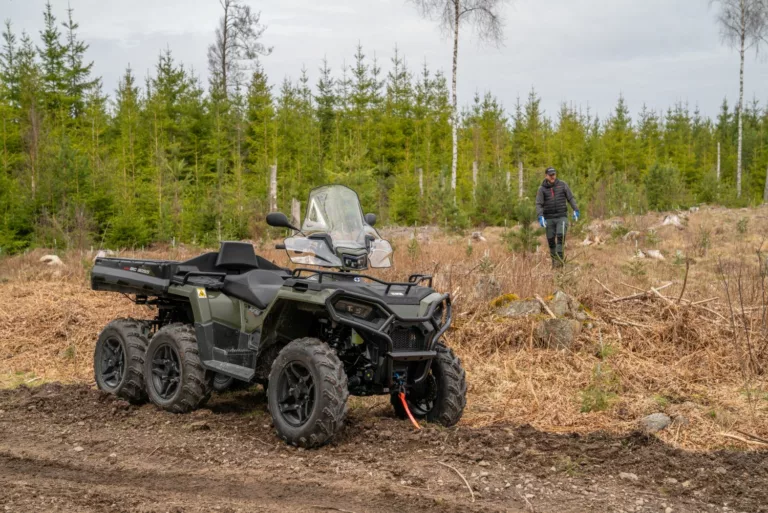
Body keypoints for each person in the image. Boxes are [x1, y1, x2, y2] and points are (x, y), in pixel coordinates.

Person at [535, 167, 579, 268]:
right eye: (550, 175)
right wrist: (540, 216)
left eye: (554, 174)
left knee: (560, 237)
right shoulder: (541, 189)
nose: (552, 177)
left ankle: (560, 263)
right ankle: (554, 264)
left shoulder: (563, 185)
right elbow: (538, 204)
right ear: (546, 176)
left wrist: (576, 209)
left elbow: (570, 198)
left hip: (561, 216)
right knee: (551, 241)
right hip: (549, 218)